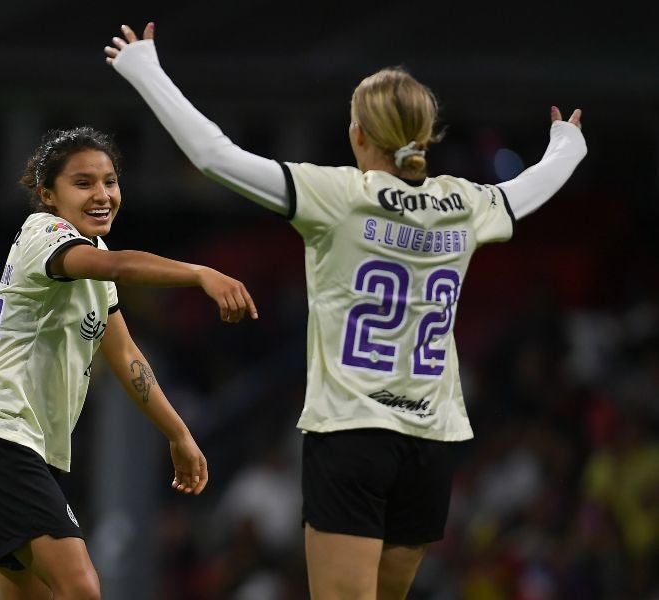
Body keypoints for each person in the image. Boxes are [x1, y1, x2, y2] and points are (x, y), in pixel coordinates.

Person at [104, 23, 586, 600]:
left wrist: (144, 67)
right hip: (431, 443)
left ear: (358, 135)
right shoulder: (466, 203)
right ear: (424, 138)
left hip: (352, 434)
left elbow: (214, 156)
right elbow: (536, 185)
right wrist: (567, 142)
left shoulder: (334, 196)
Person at [0, 125, 258, 599]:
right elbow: (118, 267)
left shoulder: (94, 258)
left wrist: (178, 433)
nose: (102, 194)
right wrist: (199, 273)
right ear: (47, 195)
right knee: (82, 588)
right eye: (83, 182)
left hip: (30, 448)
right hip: (1, 436)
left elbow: (127, 355)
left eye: (109, 181)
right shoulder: (43, 234)